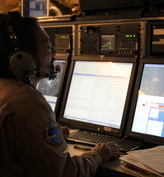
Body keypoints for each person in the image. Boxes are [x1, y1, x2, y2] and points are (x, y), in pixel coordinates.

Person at [0, 11, 120, 177]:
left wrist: (49, 135)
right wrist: (98, 155)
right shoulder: (30, 104)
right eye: (48, 46)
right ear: (22, 58)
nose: (54, 51)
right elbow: (65, 173)